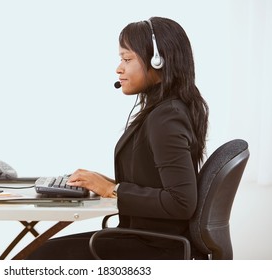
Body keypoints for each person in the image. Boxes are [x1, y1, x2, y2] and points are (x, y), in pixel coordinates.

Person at [26, 16, 209, 259]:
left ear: (158, 61)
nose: (118, 68)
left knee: (39, 257)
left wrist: (114, 190)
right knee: (41, 251)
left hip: (156, 247)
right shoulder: (165, 110)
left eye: (127, 59)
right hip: (147, 237)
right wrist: (104, 183)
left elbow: (181, 202)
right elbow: (157, 182)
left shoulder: (167, 118)